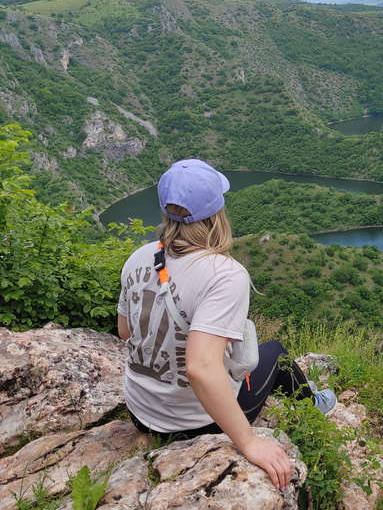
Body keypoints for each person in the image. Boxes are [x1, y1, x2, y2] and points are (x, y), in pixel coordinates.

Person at [117, 159, 337, 491]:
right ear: (216, 213)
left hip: (140, 411)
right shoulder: (223, 274)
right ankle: (314, 406)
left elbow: (125, 332)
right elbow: (201, 367)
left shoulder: (139, 256)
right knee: (276, 353)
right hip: (195, 423)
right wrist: (249, 443)